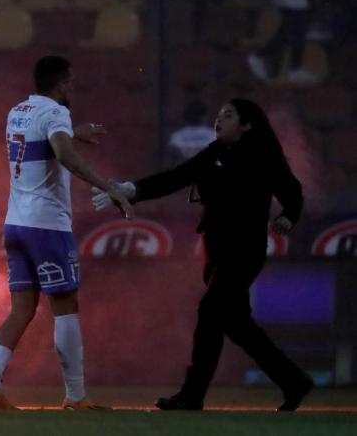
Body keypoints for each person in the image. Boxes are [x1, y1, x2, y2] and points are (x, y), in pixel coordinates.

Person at [92, 99, 314, 411]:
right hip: (216, 247)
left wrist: (290, 215)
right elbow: (175, 177)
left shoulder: (263, 155)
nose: (218, 120)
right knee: (237, 325)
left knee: (210, 312)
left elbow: (292, 191)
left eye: (228, 115)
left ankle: (192, 394)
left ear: (247, 125)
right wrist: (131, 189)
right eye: (219, 114)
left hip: (245, 247)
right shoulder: (214, 152)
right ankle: (294, 381)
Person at [0, 56, 134, 410]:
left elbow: (43, 142)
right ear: (61, 84)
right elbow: (64, 154)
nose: (72, 89)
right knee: (65, 307)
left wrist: (75, 134)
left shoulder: (17, 111)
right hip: (47, 225)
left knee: (22, 309)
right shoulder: (58, 113)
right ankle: (76, 396)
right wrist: (109, 186)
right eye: (71, 83)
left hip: (15, 223)